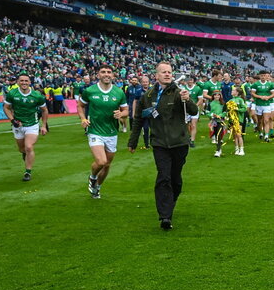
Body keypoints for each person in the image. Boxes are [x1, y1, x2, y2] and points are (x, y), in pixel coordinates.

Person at [128, 62, 198, 230]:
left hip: (179, 143)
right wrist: (133, 140)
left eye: (169, 72)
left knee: (175, 179)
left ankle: (170, 202)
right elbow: (139, 119)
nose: (167, 74)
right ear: (157, 75)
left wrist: (187, 100)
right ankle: (165, 216)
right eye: (164, 72)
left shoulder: (179, 93)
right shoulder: (148, 95)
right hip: (159, 143)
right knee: (163, 177)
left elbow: (194, 111)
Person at [78, 65, 128, 199]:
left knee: (107, 165)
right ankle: (92, 177)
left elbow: (126, 111)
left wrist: (121, 114)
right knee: (101, 161)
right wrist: (83, 118)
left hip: (112, 133)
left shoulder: (119, 92)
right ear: (98, 75)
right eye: (103, 72)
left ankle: (97, 187)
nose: (106, 74)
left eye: (109, 72)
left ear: (113, 76)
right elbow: (80, 105)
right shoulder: (90, 91)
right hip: (95, 131)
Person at [3, 73, 48, 182]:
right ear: (18, 82)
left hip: (32, 124)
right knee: (21, 149)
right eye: (21, 81)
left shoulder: (37, 96)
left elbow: (44, 110)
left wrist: (43, 126)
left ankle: (28, 172)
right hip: (18, 125)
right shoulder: (12, 94)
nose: (24, 83)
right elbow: (6, 108)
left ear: (30, 82)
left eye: (26, 81)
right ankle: (25, 154)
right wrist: (12, 120)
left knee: (28, 147)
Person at [251, 69, 274, 141]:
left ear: (266, 76)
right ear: (259, 76)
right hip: (259, 104)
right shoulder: (256, 84)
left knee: (266, 120)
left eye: (264, 75)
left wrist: (268, 97)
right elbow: (253, 93)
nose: (263, 77)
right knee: (260, 120)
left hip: (267, 104)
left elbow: (273, 94)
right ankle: (260, 132)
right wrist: (260, 97)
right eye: (261, 76)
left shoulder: (270, 84)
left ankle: (266, 136)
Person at [225, 85, 248, 156]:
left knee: (239, 134)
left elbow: (244, 108)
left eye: (233, 90)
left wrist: (237, 109)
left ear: (237, 92)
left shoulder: (240, 100)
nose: (232, 91)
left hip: (239, 119)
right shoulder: (230, 100)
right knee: (234, 135)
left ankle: (242, 149)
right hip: (232, 120)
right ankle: (236, 149)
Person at [184, 75, 203, 148]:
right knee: (187, 125)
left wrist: (195, 106)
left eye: (191, 79)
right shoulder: (183, 88)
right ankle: (189, 136)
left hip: (194, 109)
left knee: (193, 124)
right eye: (188, 79)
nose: (190, 81)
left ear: (193, 80)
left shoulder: (197, 88)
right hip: (186, 110)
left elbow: (200, 100)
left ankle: (192, 141)